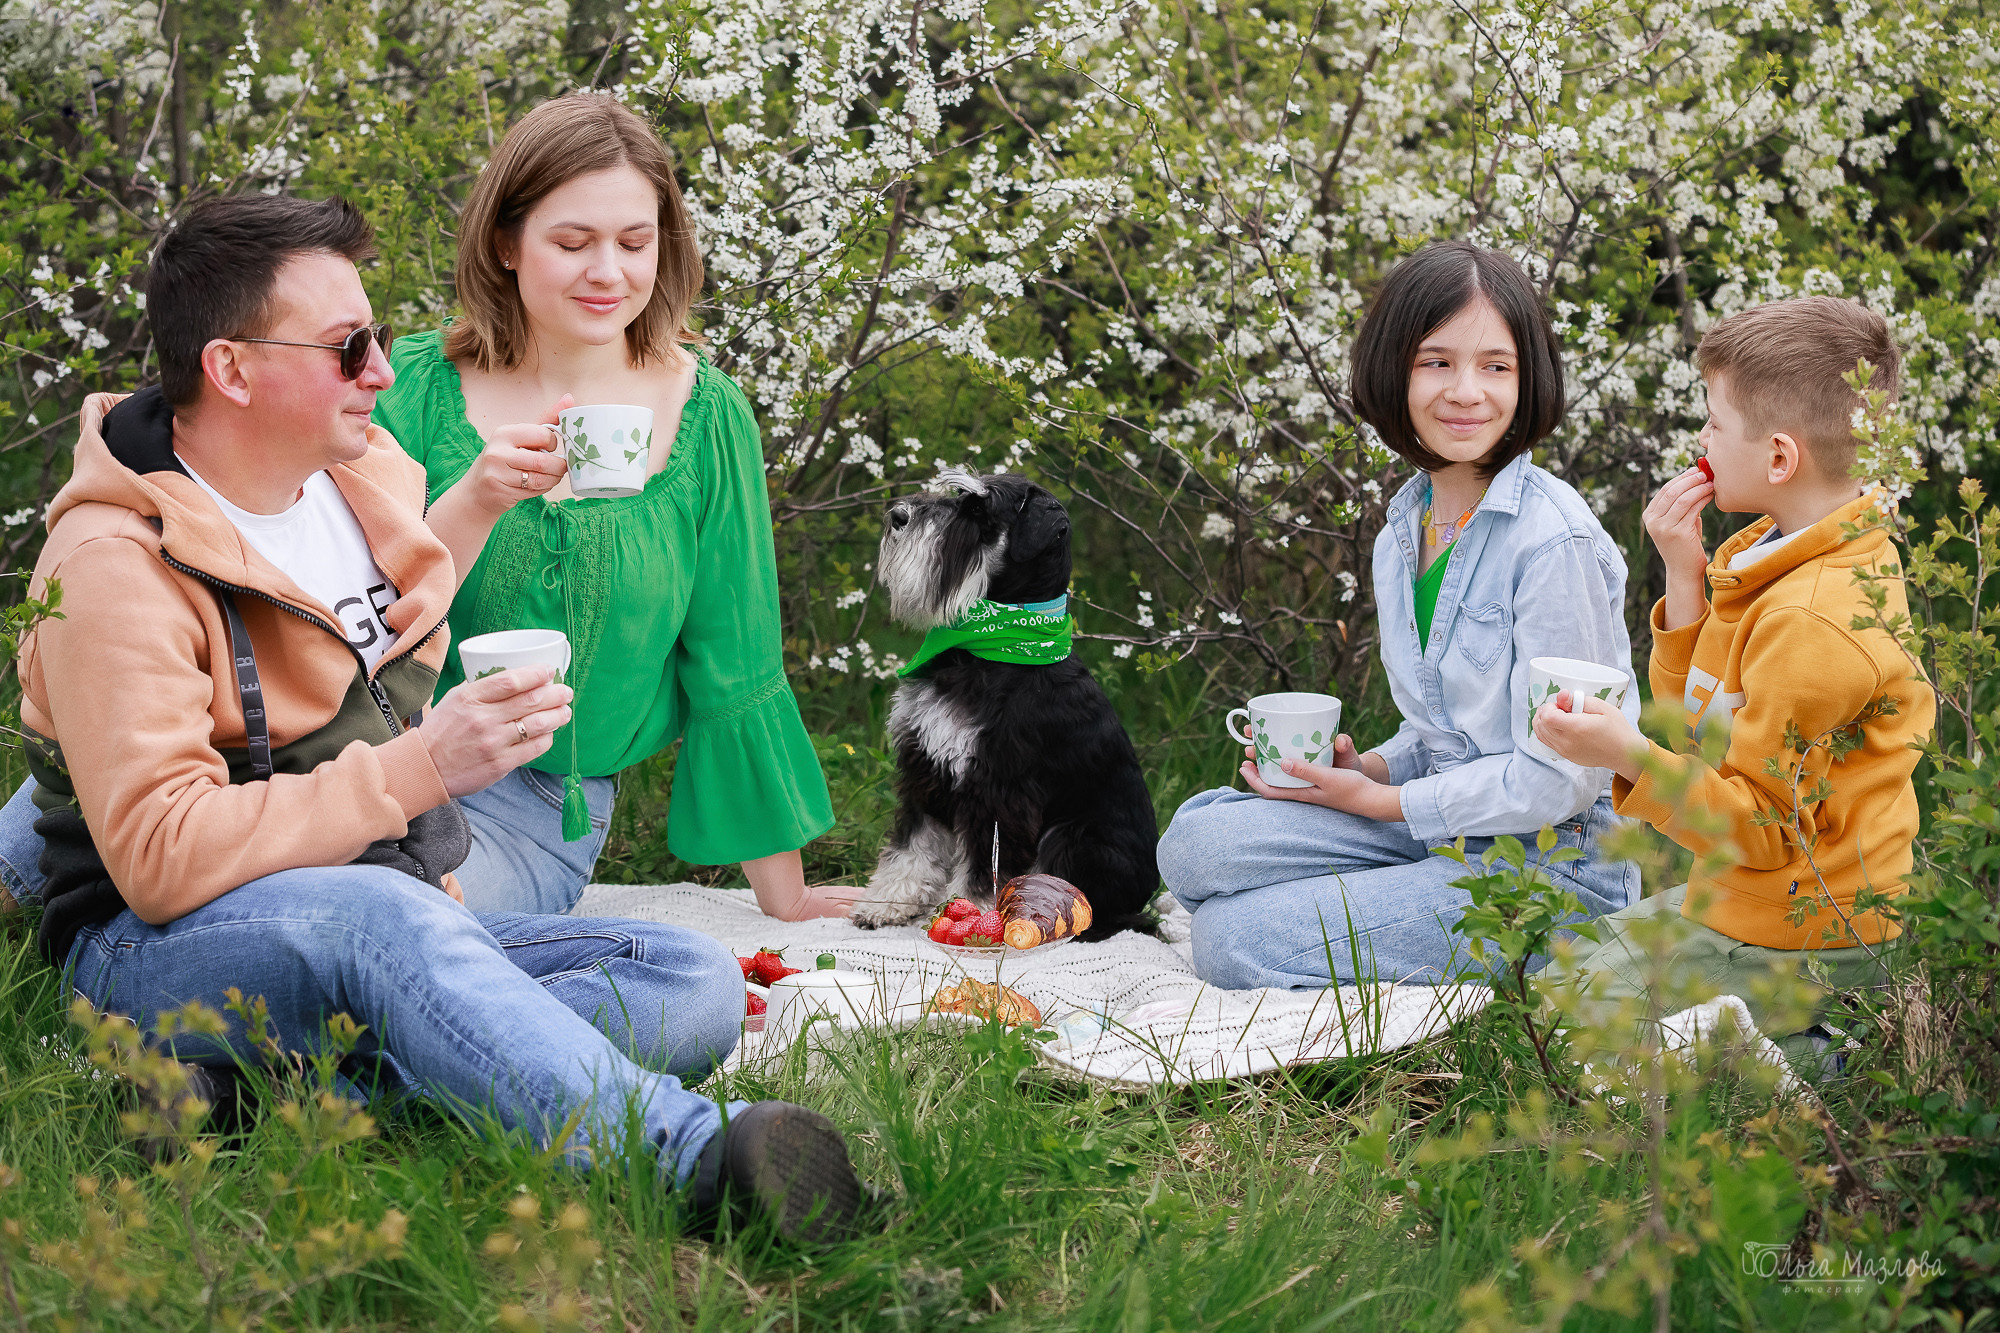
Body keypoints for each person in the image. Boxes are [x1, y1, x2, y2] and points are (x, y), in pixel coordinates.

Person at [2, 193, 865, 1241]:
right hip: (149, 946)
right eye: (346, 346)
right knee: (389, 924)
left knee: (686, 980)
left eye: (372, 336)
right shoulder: (115, 565)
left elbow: (366, 688)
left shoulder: (357, 481)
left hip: (363, 900)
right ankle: (692, 1161)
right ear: (230, 370)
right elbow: (160, 858)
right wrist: (421, 773)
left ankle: (265, 1093)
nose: (379, 367)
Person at [369, 94, 845, 920]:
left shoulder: (707, 415)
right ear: (505, 243)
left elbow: (734, 659)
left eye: (635, 242)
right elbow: (344, 606)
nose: (609, 273)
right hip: (365, 757)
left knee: (403, 925)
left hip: (533, 810)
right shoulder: (406, 390)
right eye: (572, 242)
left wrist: (788, 896)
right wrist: (476, 498)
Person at [1156, 242, 1640, 988]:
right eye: (1436, 362)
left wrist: (1386, 802)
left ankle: (1393, 925)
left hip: (1549, 875)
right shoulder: (1403, 530)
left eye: (1496, 366)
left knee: (1227, 939)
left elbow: (1564, 778)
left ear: (1529, 377)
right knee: (1193, 842)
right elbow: (1443, 735)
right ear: (1394, 369)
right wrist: (1368, 769)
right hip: (1444, 833)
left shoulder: (1553, 541)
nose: (1466, 391)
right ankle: (1378, 907)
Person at [1533, 296, 1935, 1045]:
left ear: (1780, 457)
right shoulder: (1776, 556)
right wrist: (1685, 578)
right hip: (1753, 900)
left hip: (1814, 930)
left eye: (1715, 421)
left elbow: (1761, 827)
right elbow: (1704, 728)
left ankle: (1835, 1049)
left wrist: (1625, 755)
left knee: (1569, 1020)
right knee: (1562, 970)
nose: (1702, 438)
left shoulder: (1809, 619)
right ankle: (1801, 1028)